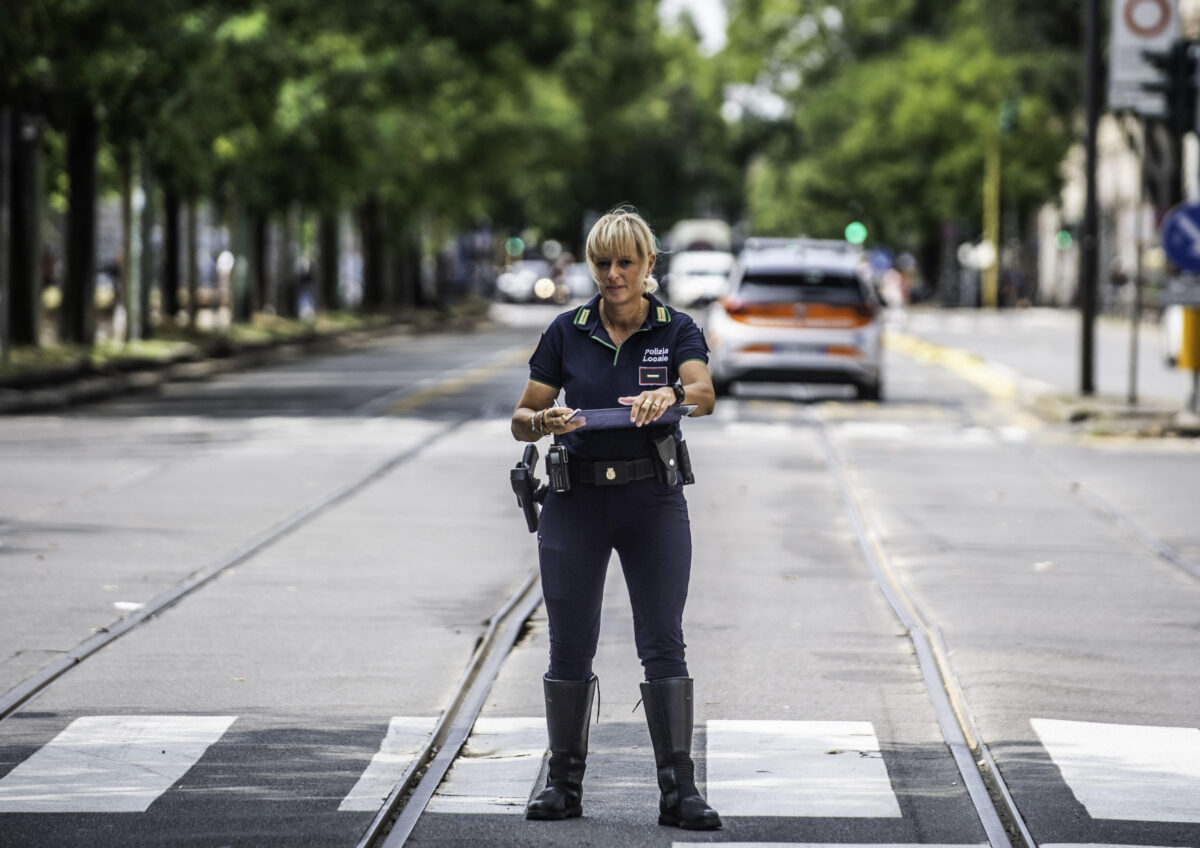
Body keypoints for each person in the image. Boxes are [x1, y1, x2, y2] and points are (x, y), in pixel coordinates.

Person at [510, 206, 721, 830]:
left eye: (626, 262)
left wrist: (673, 397)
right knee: (569, 641)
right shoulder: (566, 330)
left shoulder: (674, 328)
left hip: (651, 501)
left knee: (663, 639)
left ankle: (679, 791)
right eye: (602, 262)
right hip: (576, 502)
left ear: (649, 265)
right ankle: (563, 786)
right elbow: (522, 415)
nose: (613, 274)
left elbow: (704, 394)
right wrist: (543, 421)